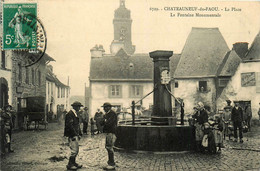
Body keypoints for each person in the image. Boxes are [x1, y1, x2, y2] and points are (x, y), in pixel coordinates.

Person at [64, 101, 83, 170]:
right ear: (75, 107)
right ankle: (70, 164)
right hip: (72, 135)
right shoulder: (70, 114)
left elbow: (77, 125)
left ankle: (74, 163)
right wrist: (74, 134)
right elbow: (70, 126)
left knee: (76, 150)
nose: (79, 108)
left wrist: (79, 133)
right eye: (78, 107)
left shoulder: (74, 114)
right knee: (74, 150)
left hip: (75, 134)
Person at [101, 102, 118, 170]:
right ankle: (110, 162)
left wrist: (105, 121)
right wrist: (104, 120)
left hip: (111, 132)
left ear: (109, 107)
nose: (104, 109)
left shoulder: (112, 114)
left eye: (105, 107)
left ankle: (111, 164)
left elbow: (109, 123)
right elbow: (101, 123)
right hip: (108, 132)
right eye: (104, 107)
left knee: (109, 147)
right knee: (108, 147)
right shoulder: (107, 114)